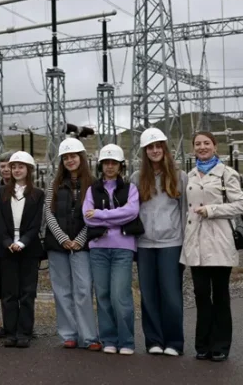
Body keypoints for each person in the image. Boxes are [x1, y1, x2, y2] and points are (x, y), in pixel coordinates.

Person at [181, 131, 243, 362]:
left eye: (207, 143)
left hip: (219, 241)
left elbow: (240, 205)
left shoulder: (227, 174)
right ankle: (203, 344)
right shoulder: (190, 175)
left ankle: (221, 345)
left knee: (220, 294)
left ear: (215, 146)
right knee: (200, 294)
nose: (202, 147)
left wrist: (212, 210)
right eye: (198, 144)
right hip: (195, 241)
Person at [130, 128, 187, 356]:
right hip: (144, 245)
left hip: (171, 243)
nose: (155, 151)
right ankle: (153, 340)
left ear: (165, 148)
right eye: (150, 148)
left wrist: (185, 242)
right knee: (149, 294)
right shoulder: (136, 178)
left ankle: (174, 342)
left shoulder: (179, 176)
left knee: (171, 295)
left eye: (158, 146)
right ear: (145, 152)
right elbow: (132, 213)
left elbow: (184, 212)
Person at [83, 144, 143, 355]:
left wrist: (101, 214)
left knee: (120, 295)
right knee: (103, 294)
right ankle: (109, 339)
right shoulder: (92, 189)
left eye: (114, 163)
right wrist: (114, 216)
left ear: (121, 166)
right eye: (106, 163)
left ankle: (126, 341)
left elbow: (132, 212)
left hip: (123, 248)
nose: (109, 166)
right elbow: (86, 217)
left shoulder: (130, 188)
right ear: (101, 165)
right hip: (98, 248)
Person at [44, 138, 100, 351]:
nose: (70, 161)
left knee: (84, 289)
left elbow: (95, 216)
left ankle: (89, 337)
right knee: (62, 290)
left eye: (73, 156)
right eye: (65, 158)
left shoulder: (94, 184)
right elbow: (48, 213)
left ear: (81, 158)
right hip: (58, 245)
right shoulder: (54, 184)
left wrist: (79, 239)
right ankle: (68, 335)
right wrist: (62, 238)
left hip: (82, 245)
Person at [0, 151, 45, 349]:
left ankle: (24, 332)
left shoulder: (37, 194)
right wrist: (8, 242)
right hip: (6, 249)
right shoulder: (0, 194)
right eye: (13, 167)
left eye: (20, 167)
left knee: (27, 292)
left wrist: (22, 242)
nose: (16, 170)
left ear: (29, 170)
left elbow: (35, 224)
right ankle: (11, 332)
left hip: (29, 249)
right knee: (9, 293)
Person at [0, 150, 14, 339]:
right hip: (0, 246)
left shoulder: (27, 189)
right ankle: (8, 325)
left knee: (23, 289)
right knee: (5, 289)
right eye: (3, 166)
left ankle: (23, 326)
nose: (5, 169)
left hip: (22, 244)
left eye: (9, 165)